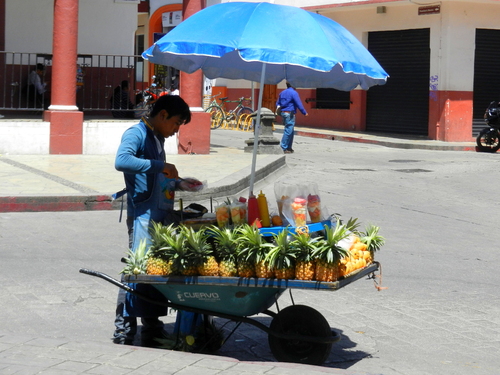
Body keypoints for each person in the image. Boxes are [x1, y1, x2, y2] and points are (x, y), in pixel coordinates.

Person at [113, 95, 202, 347]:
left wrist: (179, 183)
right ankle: (123, 330)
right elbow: (122, 161)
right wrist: (160, 165)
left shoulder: (157, 139)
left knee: (154, 273)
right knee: (135, 272)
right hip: (142, 216)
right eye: (176, 123)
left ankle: (152, 327)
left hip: (159, 216)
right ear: (162, 115)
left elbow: (157, 178)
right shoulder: (137, 133)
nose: (176, 130)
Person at [276, 81, 308, 154]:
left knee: (290, 130)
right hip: (289, 113)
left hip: (283, 113)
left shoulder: (282, 93)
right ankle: (283, 147)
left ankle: (288, 147)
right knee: (288, 130)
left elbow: (277, 103)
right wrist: (304, 112)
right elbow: (298, 103)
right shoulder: (294, 93)